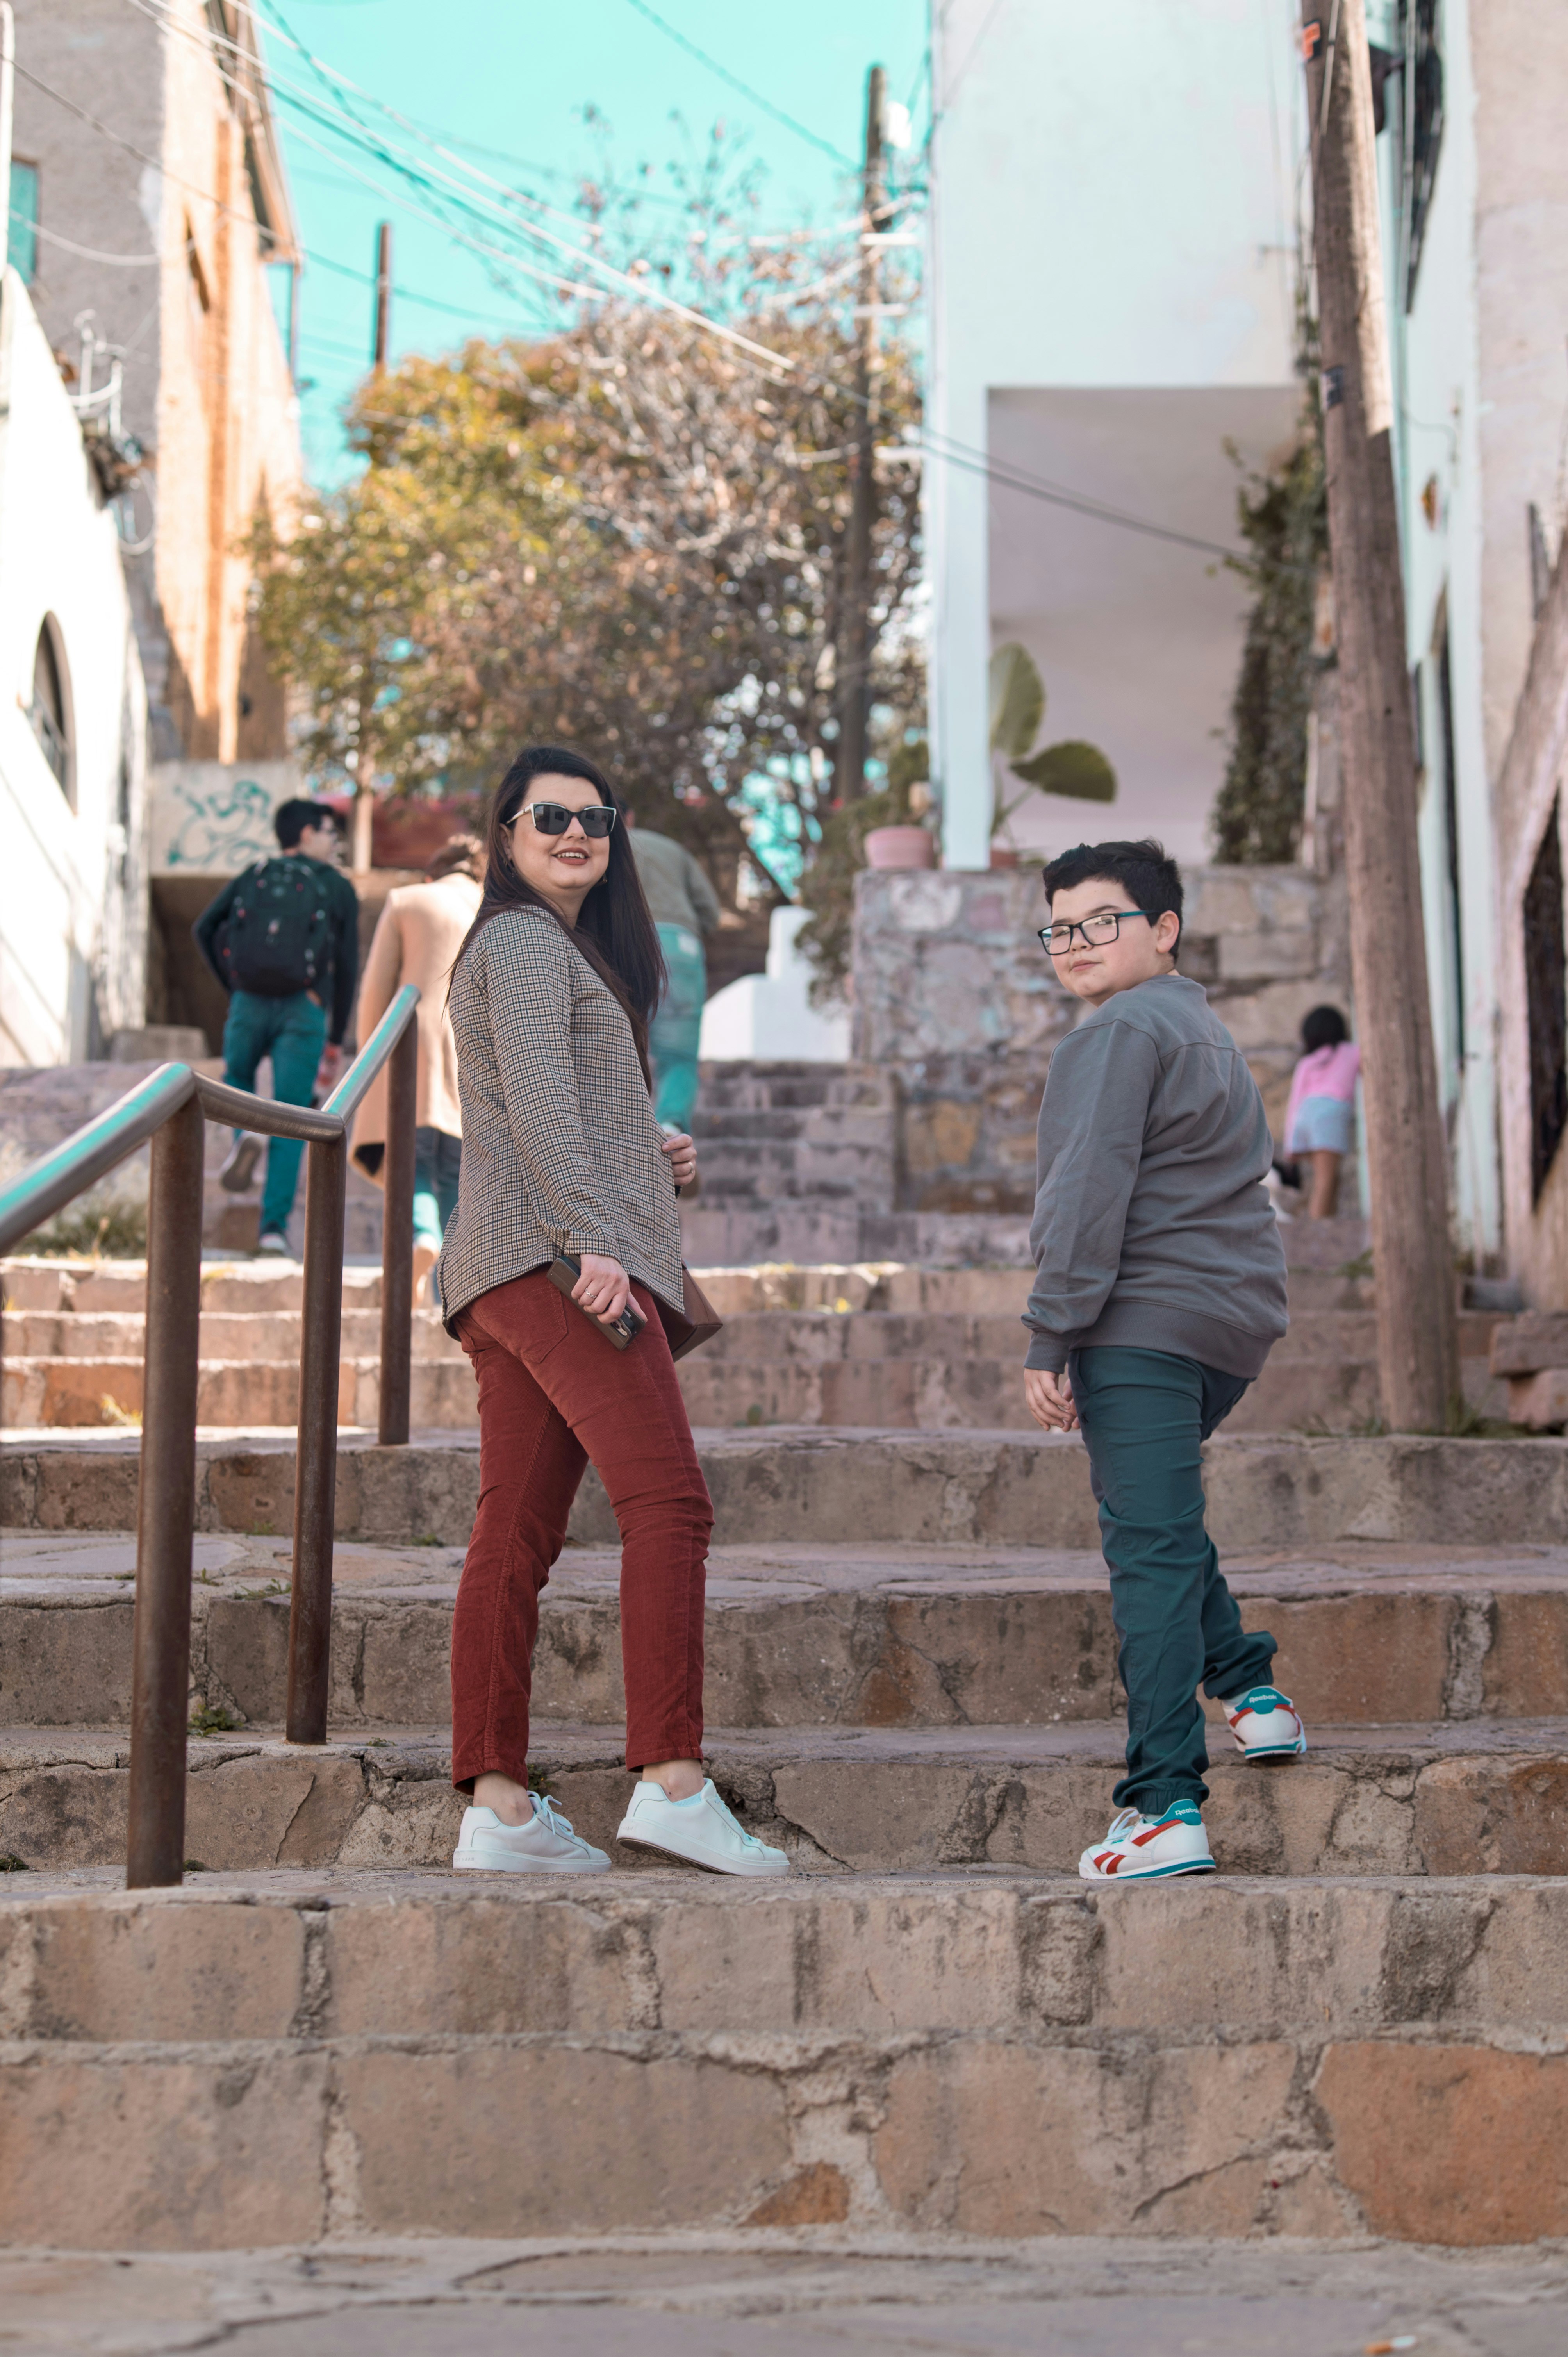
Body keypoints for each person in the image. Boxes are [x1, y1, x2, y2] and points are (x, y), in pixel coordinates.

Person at [438, 743, 787, 1878]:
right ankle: (674, 1782)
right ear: (504, 833)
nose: (577, 832)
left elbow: (539, 1102)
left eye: (597, 818)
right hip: (557, 1266)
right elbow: (539, 1103)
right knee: (671, 1503)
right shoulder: (529, 939)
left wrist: (653, 1150)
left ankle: (497, 1806)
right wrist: (595, 1236)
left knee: (516, 1535)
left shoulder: (547, 947)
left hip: (503, 1267)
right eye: (550, 816)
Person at [1023, 839, 1303, 1883]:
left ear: (1161, 927)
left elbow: (1083, 1193)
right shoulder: (1201, 1028)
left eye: (1100, 920)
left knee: (1144, 1550)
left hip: (1141, 1323)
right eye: (1058, 928)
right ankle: (1250, 1690)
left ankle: (1162, 1804)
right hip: (1227, 1329)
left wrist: (1050, 1331)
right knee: (1164, 1519)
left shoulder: (1113, 1034)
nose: (1074, 944)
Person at [193, 798, 360, 1257]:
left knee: (238, 1082)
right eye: (329, 832)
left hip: (248, 1002)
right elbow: (347, 965)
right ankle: (272, 1231)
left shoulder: (255, 872)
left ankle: (244, 1134)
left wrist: (237, 986)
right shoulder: (335, 886)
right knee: (290, 1118)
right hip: (303, 1010)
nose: (334, 842)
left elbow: (204, 928)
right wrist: (335, 1034)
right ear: (306, 834)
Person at [350, 835, 484, 1303]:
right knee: (454, 1171)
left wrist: (370, 1058)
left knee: (414, 1161)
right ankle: (452, 1282)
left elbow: (375, 991)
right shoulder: (497, 912)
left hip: (412, 1047)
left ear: (433, 871)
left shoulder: (409, 899)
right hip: (476, 1056)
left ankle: (423, 1235)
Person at [624, 811, 722, 1134]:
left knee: (618, 1043)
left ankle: (623, 1133)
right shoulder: (673, 849)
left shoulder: (607, 846)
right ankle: (670, 1128)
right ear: (631, 817)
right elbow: (709, 909)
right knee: (678, 1056)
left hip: (629, 941)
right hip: (681, 944)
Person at [1283, 1005, 1360, 1220]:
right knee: (1326, 1181)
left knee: (1327, 1178)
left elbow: (1295, 1101)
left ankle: (1327, 1225)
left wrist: (1291, 1144)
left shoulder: (1308, 1062)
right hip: (1331, 1116)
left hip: (1306, 1116)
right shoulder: (1352, 1052)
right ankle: (1320, 1231)